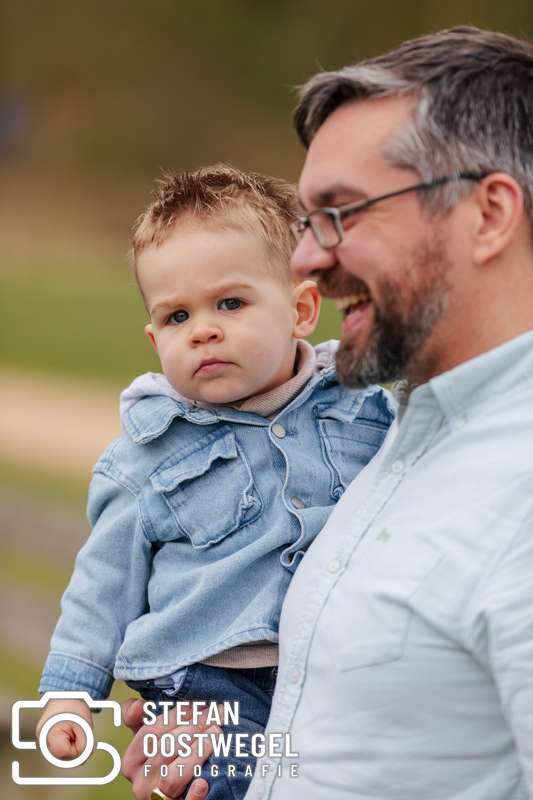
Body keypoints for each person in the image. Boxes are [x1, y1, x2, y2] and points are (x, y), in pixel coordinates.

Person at [35, 165, 394, 799]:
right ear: (153, 339)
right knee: (228, 776)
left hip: (335, 666)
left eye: (230, 303)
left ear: (302, 309)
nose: (202, 329)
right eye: (176, 317)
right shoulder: (147, 454)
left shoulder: (364, 407)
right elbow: (103, 584)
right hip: (206, 678)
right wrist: (69, 694)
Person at [242, 25, 533, 800]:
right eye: (308, 219)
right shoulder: (406, 431)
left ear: (488, 214)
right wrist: (227, 747)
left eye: (342, 212)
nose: (304, 256)